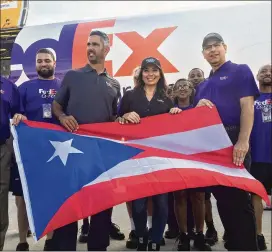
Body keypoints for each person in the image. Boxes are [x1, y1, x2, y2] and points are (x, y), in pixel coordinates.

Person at [52, 30, 121, 251]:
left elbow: (112, 118)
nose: (90, 48)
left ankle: (98, 246)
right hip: (73, 152)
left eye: (95, 45)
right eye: (88, 44)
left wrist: (124, 119)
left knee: (102, 206)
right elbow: (56, 105)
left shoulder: (114, 84)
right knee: (70, 205)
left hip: (100, 153)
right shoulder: (73, 76)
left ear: (107, 49)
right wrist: (63, 117)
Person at [195, 32, 259, 251]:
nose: (212, 50)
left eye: (216, 45)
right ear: (203, 54)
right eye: (207, 47)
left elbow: (247, 107)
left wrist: (243, 141)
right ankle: (234, 243)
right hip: (211, 145)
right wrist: (197, 108)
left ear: (225, 47)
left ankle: (248, 247)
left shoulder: (240, 71)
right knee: (221, 199)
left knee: (239, 200)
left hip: (233, 140)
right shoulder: (202, 85)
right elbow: (197, 121)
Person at [118, 56, 181, 251]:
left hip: (160, 159)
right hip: (136, 157)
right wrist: (124, 116)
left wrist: (176, 112)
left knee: (161, 203)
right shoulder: (130, 96)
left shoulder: (167, 97)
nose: (150, 74)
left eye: (154, 70)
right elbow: (116, 119)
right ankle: (142, 236)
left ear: (160, 73)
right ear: (141, 73)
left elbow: (176, 127)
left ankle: (155, 238)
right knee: (138, 203)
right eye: (146, 70)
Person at [11, 48, 61, 251]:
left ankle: (51, 239)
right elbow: (16, 113)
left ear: (54, 63)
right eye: (39, 61)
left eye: (47, 60)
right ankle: (23, 241)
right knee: (22, 198)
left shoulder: (63, 86)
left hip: (57, 151)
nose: (43, 64)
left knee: (52, 195)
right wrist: (18, 116)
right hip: (29, 151)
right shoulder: (24, 88)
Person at [169, 79, 211, 251]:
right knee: (180, 196)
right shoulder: (169, 112)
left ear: (191, 89)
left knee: (199, 197)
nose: (182, 88)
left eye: (185, 85)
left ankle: (200, 234)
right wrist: (171, 115)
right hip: (177, 159)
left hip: (197, 158)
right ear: (174, 92)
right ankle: (184, 235)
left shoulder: (200, 109)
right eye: (178, 87)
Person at [188, 67, 219, 245]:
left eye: (198, 75)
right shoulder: (182, 99)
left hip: (205, 151)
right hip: (188, 153)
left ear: (204, 77)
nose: (195, 78)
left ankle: (211, 228)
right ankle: (191, 230)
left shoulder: (208, 95)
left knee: (204, 196)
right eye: (192, 76)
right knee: (190, 195)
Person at [250, 64, 272, 250]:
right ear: (257, 75)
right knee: (256, 197)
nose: (267, 73)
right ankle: (258, 234)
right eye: (264, 70)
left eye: (271, 71)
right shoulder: (250, 98)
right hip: (257, 156)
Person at [0, 75, 21, 251]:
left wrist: (19, 115)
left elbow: (17, 112)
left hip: (2, 148)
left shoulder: (8, 86)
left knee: (1, 198)